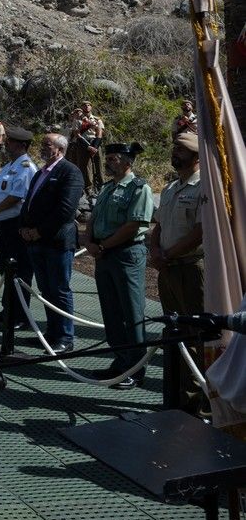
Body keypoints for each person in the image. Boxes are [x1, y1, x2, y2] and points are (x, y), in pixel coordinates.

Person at [85, 142, 154, 390]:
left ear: (127, 162)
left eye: (113, 158)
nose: (108, 162)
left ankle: (135, 369)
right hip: (104, 254)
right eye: (108, 158)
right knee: (111, 312)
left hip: (125, 254)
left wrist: (102, 247)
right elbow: (93, 218)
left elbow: (133, 224)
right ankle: (120, 362)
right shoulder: (106, 187)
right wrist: (90, 241)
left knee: (131, 313)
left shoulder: (139, 188)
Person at [149, 131, 205, 411]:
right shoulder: (171, 188)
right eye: (174, 148)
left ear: (196, 156)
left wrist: (168, 253)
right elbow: (157, 224)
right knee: (174, 333)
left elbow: (200, 232)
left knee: (195, 336)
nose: (175, 153)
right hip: (167, 269)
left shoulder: (204, 187)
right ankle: (175, 399)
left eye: (181, 150)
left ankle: (196, 406)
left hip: (191, 270)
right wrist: (155, 251)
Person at [19, 133, 84, 352]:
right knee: (46, 289)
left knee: (59, 289)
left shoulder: (70, 172)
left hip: (56, 241)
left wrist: (39, 231)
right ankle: (51, 334)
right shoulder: (40, 173)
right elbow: (29, 202)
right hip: (36, 241)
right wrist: (24, 227)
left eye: (47, 145)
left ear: (60, 149)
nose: (42, 148)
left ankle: (65, 337)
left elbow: (65, 210)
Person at [0, 126, 37, 331]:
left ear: (22, 145)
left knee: (20, 271)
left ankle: (20, 315)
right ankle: (8, 310)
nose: (7, 144)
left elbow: (16, 197)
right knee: (7, 269)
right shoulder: (8, 167)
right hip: (3, 224)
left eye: (11, 142)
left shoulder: (26, 167)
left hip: (16, 225)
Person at [67, 101, 105, 194]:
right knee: (85, 167)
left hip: (95, 142)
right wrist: (88, 147)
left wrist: (95, 147)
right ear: (81, 107)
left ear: (91, 107)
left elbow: (100, 133)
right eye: (84, 105)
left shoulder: (97, 119)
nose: (86, 107)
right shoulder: (77, 120)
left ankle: (102, 186)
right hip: (83, 143)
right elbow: (77, 134)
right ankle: (89, 188)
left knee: (99, 164)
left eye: (88, 105)